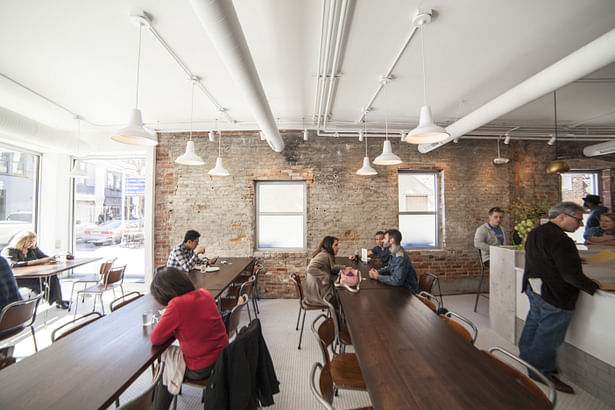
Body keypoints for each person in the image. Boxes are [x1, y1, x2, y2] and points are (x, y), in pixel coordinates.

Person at [518, 202, 600, 394]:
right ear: (562, 216)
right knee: (549, 333)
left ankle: (527, 357)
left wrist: (571, 257)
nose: (580, 224)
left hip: (534, 286)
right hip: (554, 292)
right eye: (578, 220)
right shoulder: (562, 240)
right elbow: (570, 275)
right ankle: (541, 371)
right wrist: (593, 286)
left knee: (534, 322)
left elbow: (542, 256)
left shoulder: (537, 232)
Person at [150, 267, 229, 410]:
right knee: (168, 359)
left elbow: (155, 339)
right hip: (222, 358)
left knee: (164, 367)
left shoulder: (176, 305)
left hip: (201, 367)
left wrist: (169, 321)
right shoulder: (204, 293)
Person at [0, 231, 70, 309]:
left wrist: (53, 258)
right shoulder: (10, 250)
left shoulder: (32, 249)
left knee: (53, 276)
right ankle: (55, 300)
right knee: (38, 284)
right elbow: (12, 264)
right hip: (20, 278)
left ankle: (58, 300)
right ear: (22, 241)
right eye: (30, 241)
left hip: (35, 274)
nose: (32, 243)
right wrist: (37, 261)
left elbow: (44, 257)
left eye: (34, 241)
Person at [305, 236, 346, 305]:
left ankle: (336, 313)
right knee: (342, 294)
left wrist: (344, 267)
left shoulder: (325, 254)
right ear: (329, 246)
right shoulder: (324, 255)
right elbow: (310, 269)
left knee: (339, 287)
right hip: (316, 296)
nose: (338, 247)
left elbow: (332, 267)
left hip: (314, 292)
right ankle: (337, 314)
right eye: (336, 245)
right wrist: (325, 276)